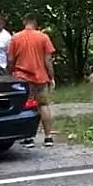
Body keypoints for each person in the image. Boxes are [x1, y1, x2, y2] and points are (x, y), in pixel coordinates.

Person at [7, 13, 56, 148]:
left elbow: (10, 60)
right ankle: (48, 137)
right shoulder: (43, 37)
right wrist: (51, 77)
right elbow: (48, 60)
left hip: (23, 78)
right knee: (43, 105)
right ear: (36, 23)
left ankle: (28, 138)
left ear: (25, 21)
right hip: (40, 78)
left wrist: (9, 74)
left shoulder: (15, 38)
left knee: (25, 107)